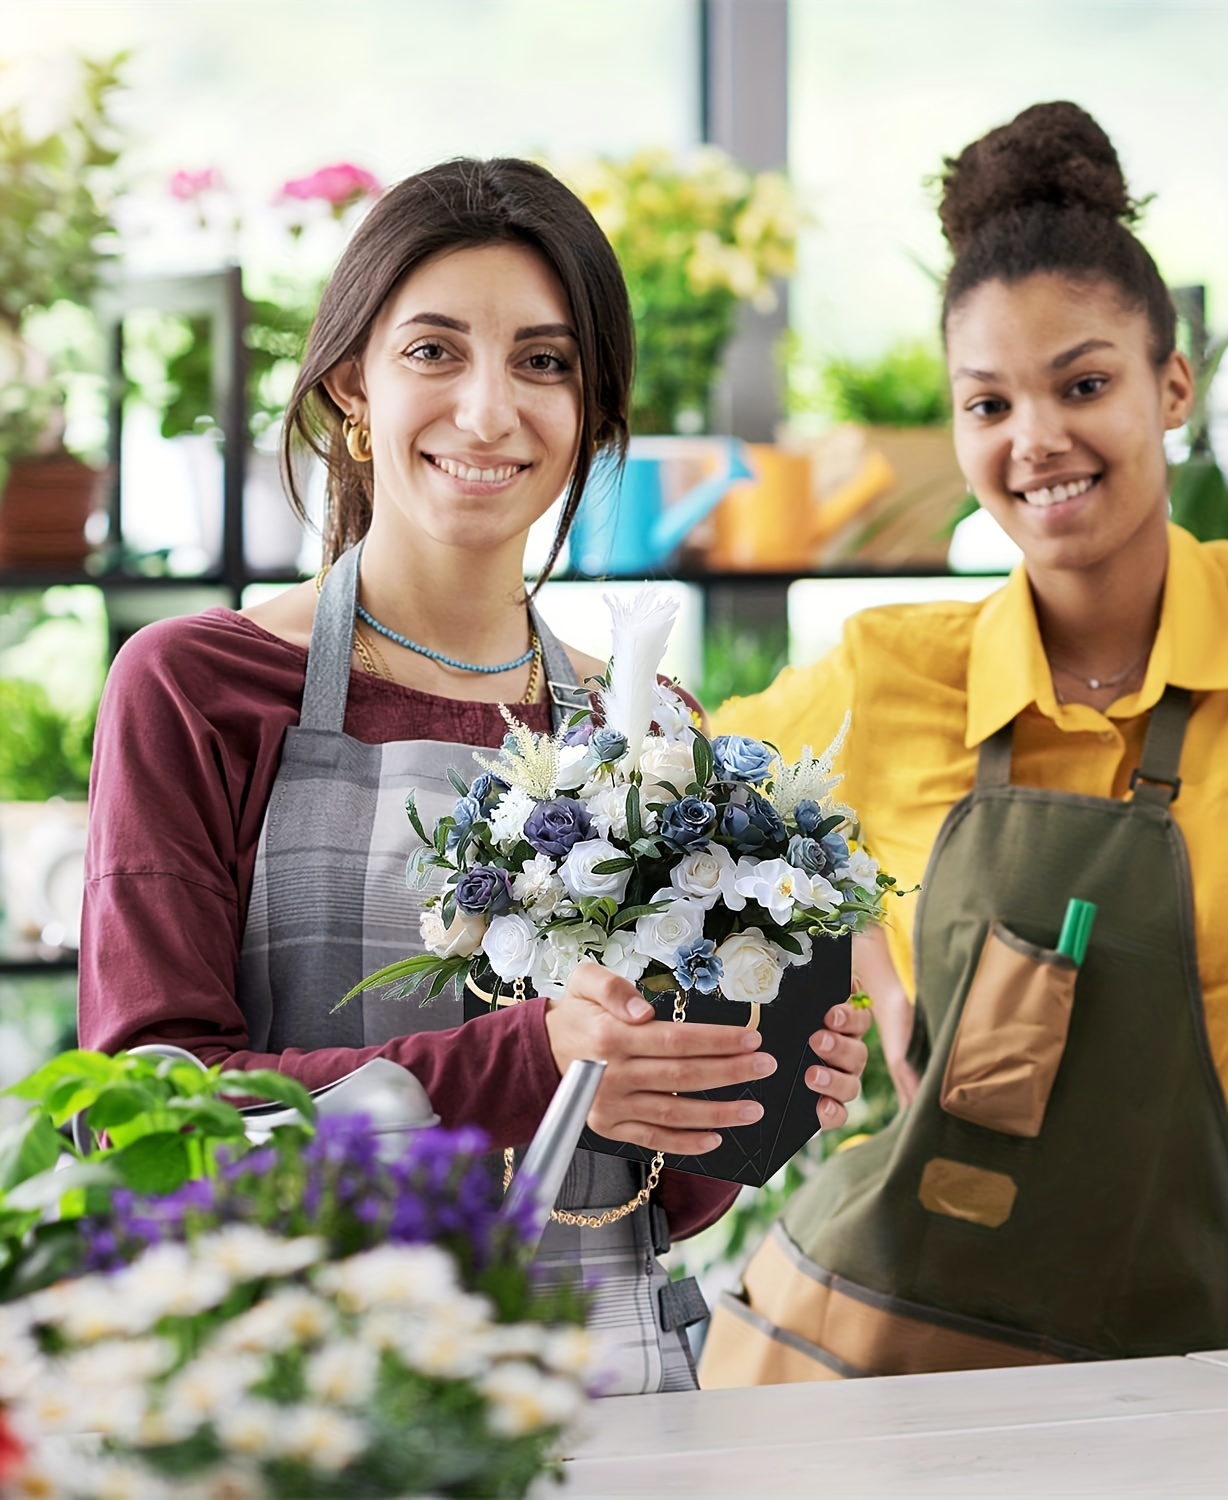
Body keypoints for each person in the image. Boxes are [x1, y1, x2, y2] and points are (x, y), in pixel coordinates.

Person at [697, 101, 1228, 1386]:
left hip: (1187, 1353)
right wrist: (865, 962)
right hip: (878, 1355)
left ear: (1173, 386)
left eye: (1083, 384)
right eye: (988, 403)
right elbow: (653, 778)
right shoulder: (896, 668)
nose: (1036, 440)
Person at [79, 156, 870, 1396]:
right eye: (435, 351)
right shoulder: (197, 687)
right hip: (306, 1406)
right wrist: (530, 1065)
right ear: (353, 383)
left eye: (545, 362)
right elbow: (143, 1120)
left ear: (593, 409)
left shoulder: (649, 718)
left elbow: (660, 1200)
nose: (491, 412)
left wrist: (744, 1097)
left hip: (611, 1389)